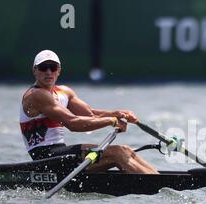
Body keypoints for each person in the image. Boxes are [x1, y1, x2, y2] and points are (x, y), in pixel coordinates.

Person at [20, 49, 158, 174]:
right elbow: (73, 123)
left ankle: (158, 179)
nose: (49, 72)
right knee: (117, 152)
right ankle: (155, 187)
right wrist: (111, 121)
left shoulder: (64, 92)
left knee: (125, 150)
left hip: (61, 154)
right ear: (35, 70)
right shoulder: (36, 95)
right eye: (43, 68)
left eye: (53, 67)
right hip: (45, 160)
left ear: (59, 70)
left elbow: (90, 115)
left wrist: (117, 114)